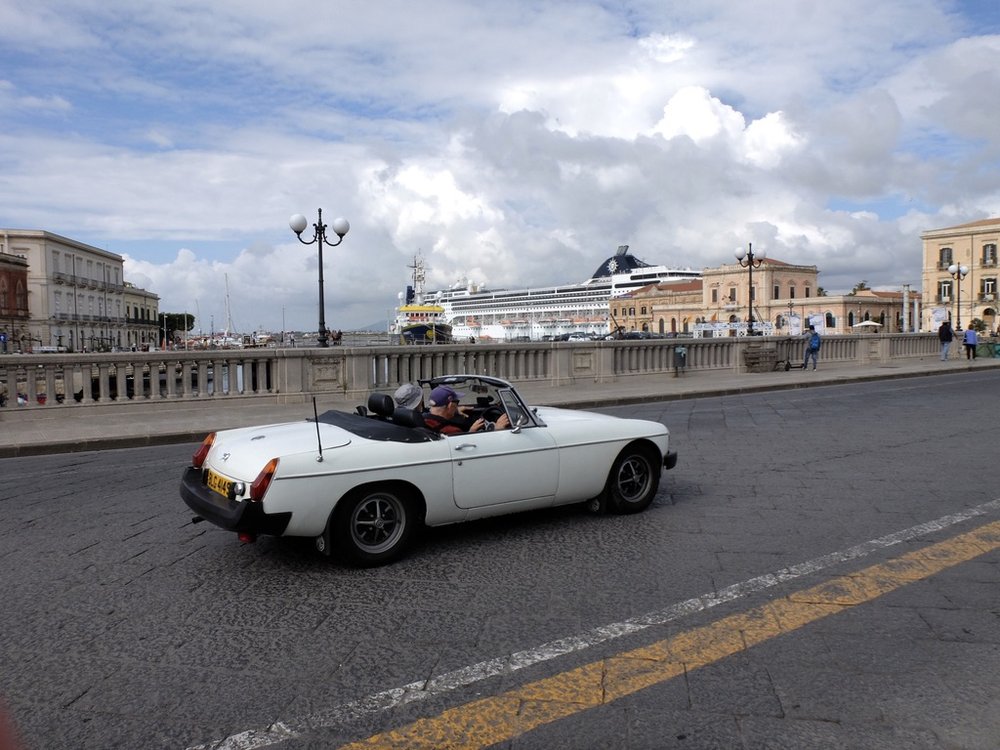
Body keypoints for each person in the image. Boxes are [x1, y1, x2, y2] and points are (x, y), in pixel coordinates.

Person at [422, 385, 509, 434]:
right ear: (450, 405)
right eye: (456, 403)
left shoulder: (423, 419)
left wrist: (455, 410)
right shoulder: (451, 431)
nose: (457, 406)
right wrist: (497, 429)